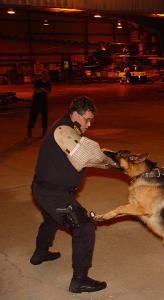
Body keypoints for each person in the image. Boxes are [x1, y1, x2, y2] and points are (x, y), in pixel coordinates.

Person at [30, 96, 114, 293]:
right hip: (53, 193)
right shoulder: (64, 129)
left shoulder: (68, 128)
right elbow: (86, 157)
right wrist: (116, 164)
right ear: (76, 114)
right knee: (84, 227)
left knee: (51, 219)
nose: (89, 124)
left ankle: (40, 254)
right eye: (87, 119)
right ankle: (80, 280)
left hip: (44, 189)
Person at [27, 70, 52, 137]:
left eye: (47, 75)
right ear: (42, 76)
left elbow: (48, 91)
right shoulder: (37, 82)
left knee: (44, 118)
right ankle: (29, 129)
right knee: (33, 117)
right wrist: (43, 90)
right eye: (45, 75)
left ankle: (44, 131)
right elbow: (36, 91)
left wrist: (42, 89)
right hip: (36, 102)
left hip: (44, 103)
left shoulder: (48, 83)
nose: (46, 76)